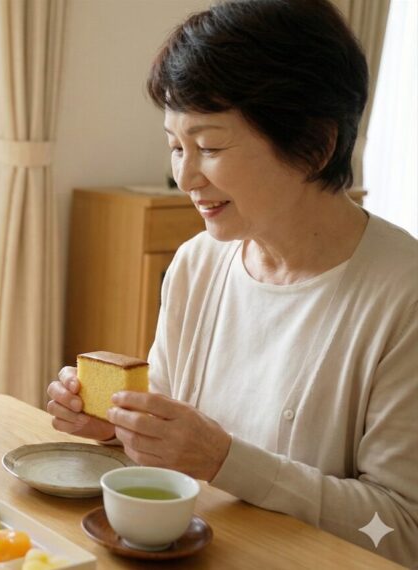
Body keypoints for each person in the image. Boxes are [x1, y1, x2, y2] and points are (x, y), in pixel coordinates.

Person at [46, 0, 417, 565]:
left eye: (210, 147)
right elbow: (172, 444)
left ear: (315, 145)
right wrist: (116, 427)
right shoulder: (197, 263)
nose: (185, 176)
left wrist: (225, 461)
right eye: (175, 146)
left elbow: (401, 531)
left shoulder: (403, 295)